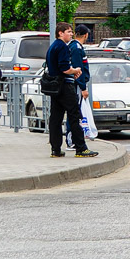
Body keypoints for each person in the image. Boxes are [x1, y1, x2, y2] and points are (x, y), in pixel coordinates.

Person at [44, 23, 96, 158]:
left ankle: (55, 149)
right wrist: (76, 70)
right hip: (65, 86)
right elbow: (64, 68)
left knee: (55, 118)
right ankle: (81, 148)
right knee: (74, 115)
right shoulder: (62, 47)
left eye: (71, 32)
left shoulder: (53, 46)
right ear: (60, 33)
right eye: (68, 32)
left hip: (55, 87)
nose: (71, 34)